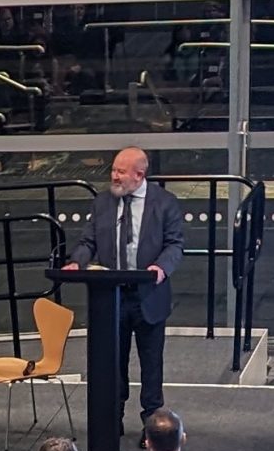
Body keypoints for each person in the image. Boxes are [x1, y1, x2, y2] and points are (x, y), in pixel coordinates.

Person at [65, 148, 186, 430]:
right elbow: (88, 241)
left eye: (121, 171)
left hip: (149, 295)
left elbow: (175, 244)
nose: (114, 176)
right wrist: (76, 262)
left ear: (139, 175)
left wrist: (161, 268)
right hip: (111, 297)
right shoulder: (103, 202)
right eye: (114, 170)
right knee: (113, 363)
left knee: (151, 365)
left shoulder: (165, 203)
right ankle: (112, 421)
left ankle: (152, 425)